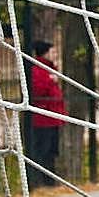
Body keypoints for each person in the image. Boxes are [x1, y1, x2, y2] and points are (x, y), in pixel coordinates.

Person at [27, 40, 66, 188]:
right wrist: (51, 80)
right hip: (43, 118)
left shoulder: (50, 68)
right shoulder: (38, 69)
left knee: (51, 150)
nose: (55, 55)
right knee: (42, 150)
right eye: (53, 52)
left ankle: (50, 180)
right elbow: (38, 91)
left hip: (53, 117)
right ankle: (40, 181)